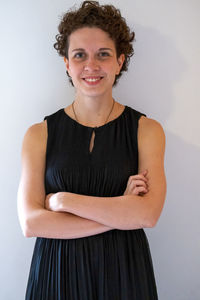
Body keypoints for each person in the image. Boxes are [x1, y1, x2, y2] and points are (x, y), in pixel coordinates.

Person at [17, 1, 166, 299]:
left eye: (103, 55)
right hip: (56, 274)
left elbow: (147, 215)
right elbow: (32, 223)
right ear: (67, 64)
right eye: (80, 55)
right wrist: (121, 209)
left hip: (124, 271)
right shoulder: (38, 134)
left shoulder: (147, 130)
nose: (91, 66)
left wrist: (63, 200)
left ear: (120, 61)